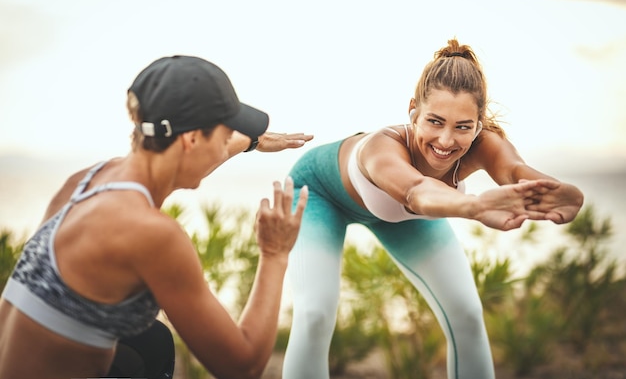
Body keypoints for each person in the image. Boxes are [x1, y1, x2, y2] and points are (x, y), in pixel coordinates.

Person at [282, 39, 584, 379]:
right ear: (413, 110)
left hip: (403, 215)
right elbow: (415, 192)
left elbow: (515, 172)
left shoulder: (483, 144)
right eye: (435, 122)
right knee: (315, 315)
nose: (445, 141)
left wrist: (557, 192)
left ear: (479, 124)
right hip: (318, 195)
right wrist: (476, 207)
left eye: (463, 127)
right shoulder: (382, 148)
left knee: (467, 314)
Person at [0, 55, 312, 379]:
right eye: (224, 138)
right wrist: (274, 253)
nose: (225, 148)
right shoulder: (153, 235)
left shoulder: (88, 181)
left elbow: (173, 164)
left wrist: (253, 141)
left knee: (152, 341)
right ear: (191, 139)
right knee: (155, 345)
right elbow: (241, 367)